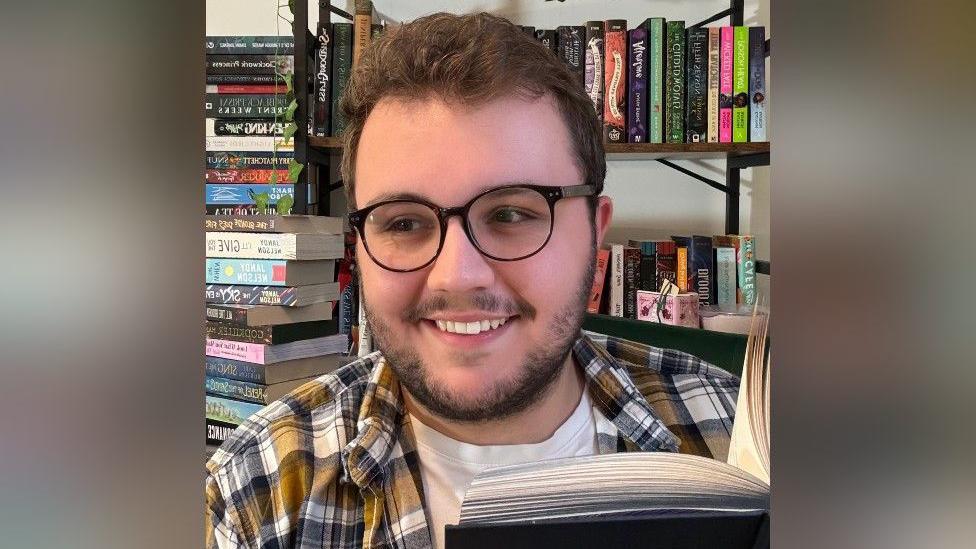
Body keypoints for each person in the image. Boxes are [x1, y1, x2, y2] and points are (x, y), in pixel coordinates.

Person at [206, 12, 739, 549]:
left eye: (511, 215)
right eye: (404, 223)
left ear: (594, 235)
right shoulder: (257, 495)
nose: (458, 274)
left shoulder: (742, 435)